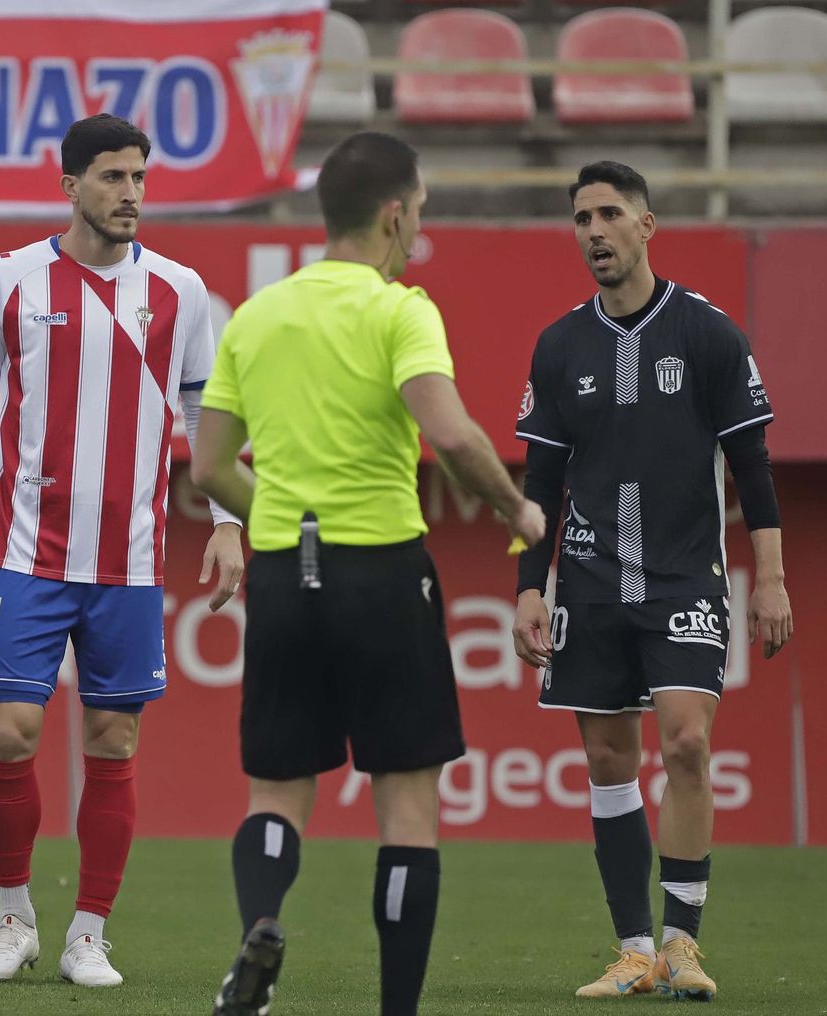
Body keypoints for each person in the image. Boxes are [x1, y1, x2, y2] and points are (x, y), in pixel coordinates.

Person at [191, 131, 546, 1016]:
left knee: (276, 789)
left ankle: (261, 926)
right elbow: (454, 434)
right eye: (419, 210)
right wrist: (518, 510)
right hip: (382, 570)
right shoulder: (400, 310)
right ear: (394, 214)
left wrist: (272, 507)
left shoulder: (256, 314)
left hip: (283, 568)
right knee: (409, 812)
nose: (419, 226)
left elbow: (206, 467)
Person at [0, 112, 244, 989]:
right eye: (110, 177)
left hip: (128, 563)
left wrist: (225, 523)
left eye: (138, 176)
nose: (129, 192)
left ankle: (88, 933)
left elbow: (206, 426)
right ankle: (15, 918)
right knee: (14, 734)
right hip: (25, 552)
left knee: (112, 736)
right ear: (69, 186)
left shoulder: (181, 290)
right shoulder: (11, 278)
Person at [510, 161, 793, 1002]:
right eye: (581, 219)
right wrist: (532, 587)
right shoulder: (561, 344)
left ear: (647, 225)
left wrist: (770, 579)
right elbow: (540, 484)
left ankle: (683, 943)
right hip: (591, 580)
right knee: (607, 757)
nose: (593, 231)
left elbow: (754, 464)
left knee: (687, 742)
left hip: (683, 577)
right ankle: (634, 950)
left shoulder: (707, 332)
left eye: (608, 215)